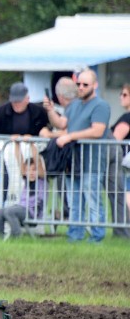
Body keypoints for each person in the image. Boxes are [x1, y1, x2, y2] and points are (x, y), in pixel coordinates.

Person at [45, 69, 110, 243]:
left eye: (85, 84)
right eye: (78, 84)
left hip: (92, 163)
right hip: (72, 163)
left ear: (95, 85)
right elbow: (61, 123)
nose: (81, 87)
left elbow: (98, 130)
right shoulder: (73, 105)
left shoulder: (100, 105)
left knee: (93, 201)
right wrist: (51, 110)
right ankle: (75, 235)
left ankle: (97, 237)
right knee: (74, 201)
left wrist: (69, 136)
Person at [0, 82, 51, 208]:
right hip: (8, 152)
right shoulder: (2, 110)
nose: (16, 105)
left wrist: (34, 139)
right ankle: (1, 207)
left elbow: (47, 130)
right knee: (6, 180)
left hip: (33, 153)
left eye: (19, 101)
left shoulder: (38, 111)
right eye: (14, 101)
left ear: (27, 99)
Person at [0, 143, 46, 239]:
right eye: (28, 170)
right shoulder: (26, 178)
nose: (31, 173)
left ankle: (16, 237)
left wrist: (31, 143)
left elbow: (37, 161)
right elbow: (19, 160)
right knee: (0, 212)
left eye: (34, 170)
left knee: (10, 211)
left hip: (32, 213)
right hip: (21, 209)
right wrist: (17, 143)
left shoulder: (42, 180)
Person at [106, 82, 130, 238]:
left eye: (125, 94)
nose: (121, 97)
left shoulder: (126, 118)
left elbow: (115, 140)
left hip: (125, 164)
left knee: (126, 195)